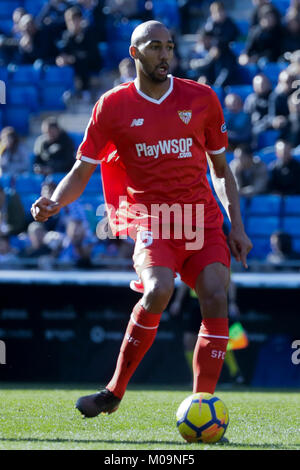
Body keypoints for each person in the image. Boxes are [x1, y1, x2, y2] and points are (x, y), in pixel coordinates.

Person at [31, 21, 252, 418]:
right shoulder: (112, 106)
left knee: (216, 296)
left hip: (201, 220)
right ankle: (114, 392)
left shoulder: (202, 98)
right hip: (153, 221)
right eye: (155, 47)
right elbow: (82, 170)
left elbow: (221, 170)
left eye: (169, 47)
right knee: (157, 291)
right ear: (135, 53)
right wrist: (55, 202)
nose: (165, 54)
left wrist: (235, 226)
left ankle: (203, 405)